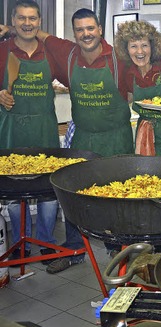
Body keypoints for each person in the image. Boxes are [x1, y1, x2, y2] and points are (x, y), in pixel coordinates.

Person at [29, 9, 161, 273]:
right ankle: (75, 250)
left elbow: (148, 59)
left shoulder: (119, 58)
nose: (86, 34)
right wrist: (12, 29)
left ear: (99, 29)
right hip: (84, 138)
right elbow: (43, 35)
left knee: (118, 198)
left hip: (116, 138)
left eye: (90, 28)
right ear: (74, 33)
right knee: (77, 198)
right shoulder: (68, 54)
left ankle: (118, 252)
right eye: (79, 30)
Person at [0, 0, 59, 265]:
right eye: (21, 18)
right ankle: (19, 243)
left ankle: (46, 242)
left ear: (39, 22)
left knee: (49, 186)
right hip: (11, 127)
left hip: (44, 126)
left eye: (32, 18)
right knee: (13, 186)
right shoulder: (3, 51)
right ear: (13, 21)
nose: (27, 23)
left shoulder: (51, 53)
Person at [114, 20, 161, 157]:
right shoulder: (129, 73)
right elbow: (130, 98)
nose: (140, 51)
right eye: (133, 46)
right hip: (146, 136)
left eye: (144, 45)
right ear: (126, 49)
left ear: (153, 46)